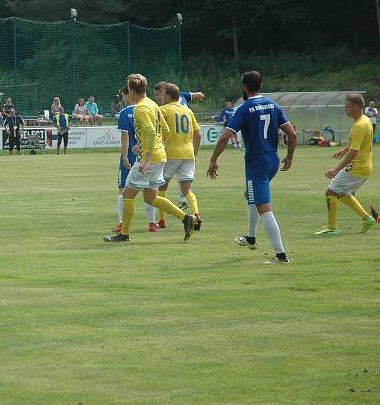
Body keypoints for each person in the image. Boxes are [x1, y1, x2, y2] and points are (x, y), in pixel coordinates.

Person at [207, 70, 296, 264]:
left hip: (256, 162)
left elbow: (224, 136)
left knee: (264, 206)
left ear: (244, 88)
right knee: (250, 195)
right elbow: (292, 133)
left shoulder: (244, 108)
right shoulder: (273, 105)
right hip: (273, 159)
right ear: (260, 85)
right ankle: (250, 237)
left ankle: (281, 255)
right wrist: (289, 156)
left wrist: (213, 159)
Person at [103, 74, 196, 243]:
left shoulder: (140, 108)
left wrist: (146, 158)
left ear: (131, 90)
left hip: (150, 160)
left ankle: (124, 233)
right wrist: (153, 146)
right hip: (159, 157)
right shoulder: (154, 105)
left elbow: (152, 132)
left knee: (127, 194)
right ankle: (186, 218)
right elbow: (165, 131)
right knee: (151, 198)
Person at [315, 93, 376, 235]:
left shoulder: (359, 125)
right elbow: (359, 144)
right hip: (364, 167)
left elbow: (354, 152)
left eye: (347, 107)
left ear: (355, 107)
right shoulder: (365, 121)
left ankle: (332, 228)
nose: (345, 109)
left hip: (357, 167)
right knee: (342, 193)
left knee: (331, 191)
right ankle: (366, 218)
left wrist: (336, 170)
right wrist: (345, 149)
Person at [157, 83, 202, 230]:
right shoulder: (188, 111)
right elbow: (198, 134)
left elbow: (159, 131)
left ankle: (161, 221)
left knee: (161, 187)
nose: (160, 97)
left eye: (162, 94)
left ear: (169, 96)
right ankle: (196, 214)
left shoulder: (163, 110)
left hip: (171, 152)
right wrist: (194, 154)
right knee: (187, 190)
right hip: (188, 153)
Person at [114, 85, 158, 233]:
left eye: (123, 96)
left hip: (133, 154)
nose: (123, 100)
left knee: (123, 190)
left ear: (129, 94)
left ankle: (121, 224)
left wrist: (125, 157)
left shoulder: (125, 112)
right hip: (148, 153)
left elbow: (125, 136)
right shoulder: (150, 106)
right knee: (150, 190)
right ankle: (152, 223)